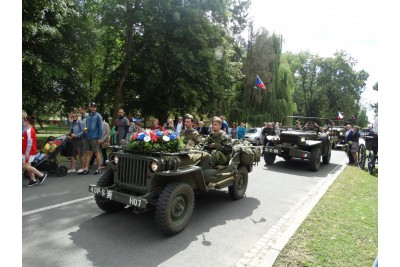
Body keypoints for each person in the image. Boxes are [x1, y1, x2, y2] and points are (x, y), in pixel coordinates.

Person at [78, 102, 103, 175]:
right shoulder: (88, 116)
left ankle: (99, 169)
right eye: (92, 107)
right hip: (87, 137)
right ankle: (86, 169)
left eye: (94, 107)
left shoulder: (98, 116)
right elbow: (86, 127)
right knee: (88, 153)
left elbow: (100, 128)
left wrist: (99, 138)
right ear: (89, 107)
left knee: (96, 153)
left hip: (95, 138)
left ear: (96, 108)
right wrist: (85, 131)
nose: (93, 108)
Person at [22, 116, 47, 186]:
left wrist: (27, 153)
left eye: (24, 121)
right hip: (27, 151)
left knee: (25, 166)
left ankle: (41, 175)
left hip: (28, 152)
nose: (23, 122)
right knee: (27, 166)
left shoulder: (29, 131)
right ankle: (33, 180)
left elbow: (29, 143)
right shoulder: (29, 130)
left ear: (27, 122)